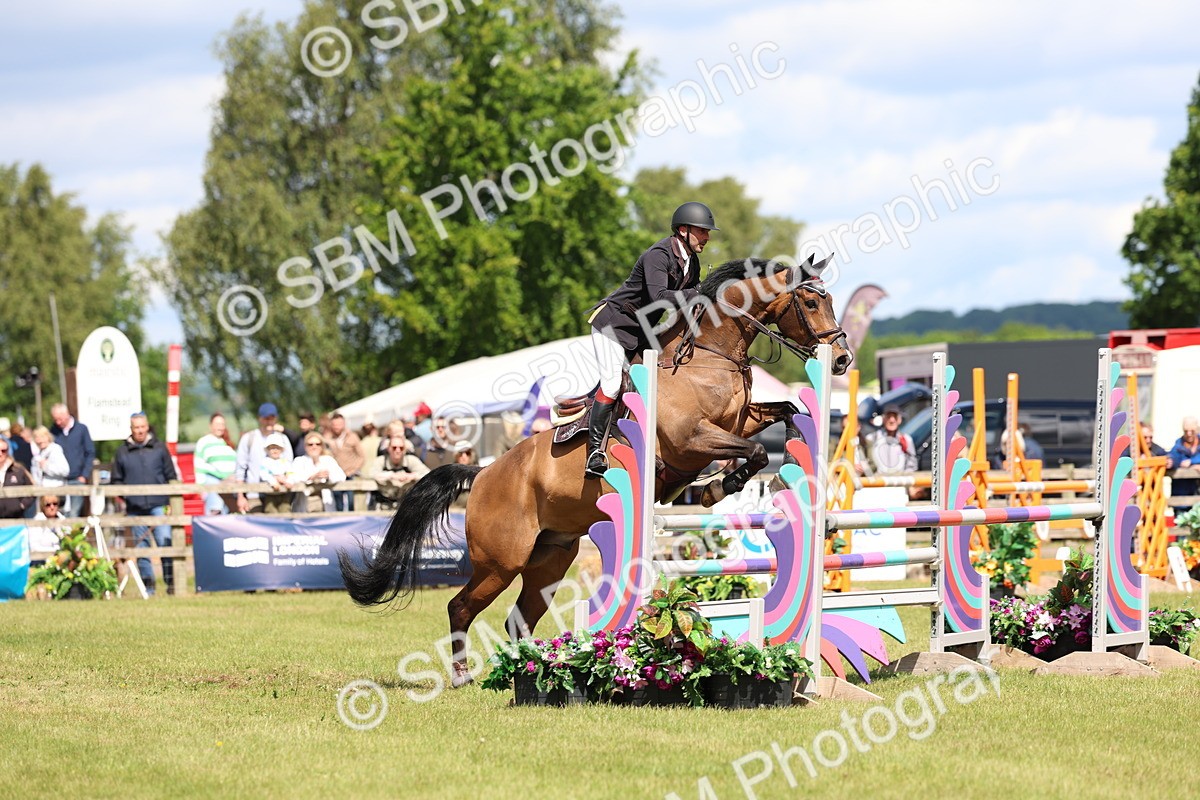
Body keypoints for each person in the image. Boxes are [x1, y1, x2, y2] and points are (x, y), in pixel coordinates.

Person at [585, 201, 718, 478]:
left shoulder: (691, 262)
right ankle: (594, 452)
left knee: (657, 382)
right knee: (611, 384)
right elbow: (660, 296)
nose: (707, 237)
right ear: (683, 230)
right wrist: (697, 293)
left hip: (642, 331)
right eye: (702, 231)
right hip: (614, 325)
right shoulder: (658, 255)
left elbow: (688, 299)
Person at [111, 412, 179, 596]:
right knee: (142, 550)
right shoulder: (122, 452)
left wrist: (170, 501)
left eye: (142, 427)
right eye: (136, 427)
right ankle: (148, 588)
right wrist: (127, 498)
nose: (140, 431)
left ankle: (172, 585)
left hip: (159, 504)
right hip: (135, 509)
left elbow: (171, 475)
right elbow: (116, 480)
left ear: (147, 427)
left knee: (166, 544)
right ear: (131, 429)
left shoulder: (159, 448)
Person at [49, 403, 95, 518]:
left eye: (59, 419)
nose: (58, 423)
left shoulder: (81, 429)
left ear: (66, 414)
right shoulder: (53, 431)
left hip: (77, 478)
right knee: (60, 514)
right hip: (58, 480)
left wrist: (84, 475)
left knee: (74, 514)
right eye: (55, 420)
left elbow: (90, 452)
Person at [235, 403, 281, 513]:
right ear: (259, 419)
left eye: (272, 418)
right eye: (266, 418)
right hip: (254, 494)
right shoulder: (249, 439)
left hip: (278, 494)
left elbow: (289, 465)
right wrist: (240, 496)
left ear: (276, 419)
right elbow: (240, 470)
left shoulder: (282, 438)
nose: (269, 421)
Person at [290, 432, 347, 511]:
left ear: (322, 446)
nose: (314, 447)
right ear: (305, 447)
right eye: (310, 444)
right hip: (305, 504)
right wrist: (311, 477)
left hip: (325, 505)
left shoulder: (328, 460)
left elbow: (341, 477)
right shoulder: (299, 461)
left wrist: (329, 476)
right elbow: (292, 478)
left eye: (318, 444)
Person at [195, 414, 238, 515]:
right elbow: (199, 465)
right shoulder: (204, 442)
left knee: (228, 512)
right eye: (217, 424)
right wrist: (201, 487)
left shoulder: (228, 443)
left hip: (230, 483)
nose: (220, 426)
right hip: (213, 482)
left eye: (222, 424)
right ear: (211, 426)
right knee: (215, 511)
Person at [370, 436, 429, 510]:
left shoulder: (411, 460)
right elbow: (372, 474)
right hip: (384, 505)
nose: (397, 450)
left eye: (401, 448)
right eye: (394, 447)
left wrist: (412, 476)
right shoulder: (381, 460)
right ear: (388, 448)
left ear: (405, 449)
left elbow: (427, 473)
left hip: (407, 506)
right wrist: (391, 475)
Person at [862, 404, 918, 476]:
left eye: (895, 417)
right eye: (888, 417)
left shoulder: (906, 439)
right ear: (883, 419)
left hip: (899, 484)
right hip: (878, 484)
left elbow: (912, 465)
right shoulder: (872, 438)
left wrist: (906, 480)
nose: (892, 420)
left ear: (899, 420)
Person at [324, 413, 363, 511]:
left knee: (351, 503)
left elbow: (362, 456)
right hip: (336, 476)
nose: (337, 427)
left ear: (344, 424)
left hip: (350, 474)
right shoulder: (328, 439)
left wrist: (354, 469)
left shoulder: (352, 437)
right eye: (335, 424)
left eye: (339, 424)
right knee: (338, 504)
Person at [259, 433, 297, 513]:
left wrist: (289, 481)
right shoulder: (265, 462)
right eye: (272, 448)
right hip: (270, 494)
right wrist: (273, 482)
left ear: (281, 449)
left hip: (284, 493)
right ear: (267, 449)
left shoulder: (285, 462)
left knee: (285, 510)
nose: (275, 450)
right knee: (271, 512)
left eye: (277, 448)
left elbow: (291, 473)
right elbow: (264, 474)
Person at [1167, 416, 1200, 510]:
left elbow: (1188, 462)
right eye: (1186, 431)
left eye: (1192, 431)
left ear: (1197, 429)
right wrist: (1170, 462)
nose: (1189, 434)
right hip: (1181, 496)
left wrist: (1192, 462)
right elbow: (1173, 458)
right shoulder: (1178, 446)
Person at [30, 495, 70, 564]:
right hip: (42, 561)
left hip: (62, 560)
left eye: (55, 504)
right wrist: (54, 552)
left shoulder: (62, 519)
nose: (52, 507)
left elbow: (69, 539)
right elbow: (34, 547)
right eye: (48, 505)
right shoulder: (37, 521)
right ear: (43, 507)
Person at [0, 439, 34, 518]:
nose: (0, 453)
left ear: (8, 452)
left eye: (3, 450)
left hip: (15, 519)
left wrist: (22, 505)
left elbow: (32, 490)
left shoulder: (18, 470)